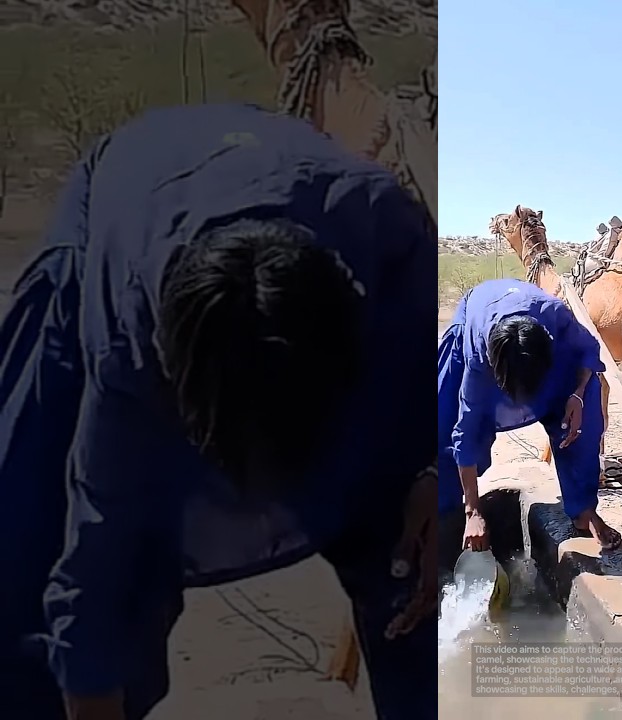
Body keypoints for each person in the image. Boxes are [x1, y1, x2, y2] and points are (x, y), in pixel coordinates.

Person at [0, 103, 439, 720]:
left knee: (414, 557)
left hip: (296, 203)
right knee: (26, 541)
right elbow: (97, 548)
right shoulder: (129, 344)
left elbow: (436, 386)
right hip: (126, 195)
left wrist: (430, 471)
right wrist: (92, 690)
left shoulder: (390, 241)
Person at [437, 279, 622, 583]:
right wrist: (473, 511)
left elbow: (588, 351)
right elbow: (465, 432)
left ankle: (583, 509)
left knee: (583, 413)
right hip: (476, 318)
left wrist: (575, 394)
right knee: (442, 427)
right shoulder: (478, 356)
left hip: (541, 345)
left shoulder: (556, 318)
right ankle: (447, 518)